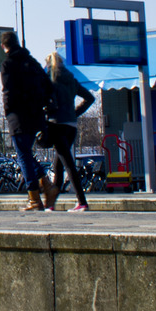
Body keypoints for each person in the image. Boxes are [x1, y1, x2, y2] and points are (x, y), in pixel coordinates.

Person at [0, 29, 53, 211]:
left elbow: (8, 92)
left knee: (23, 156)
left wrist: (8, 112)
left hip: (18, 117)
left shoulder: (8, 65)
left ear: (4, 46)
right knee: (27, 154)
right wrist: (42, 105)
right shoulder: (32, 62)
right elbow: (48, 85)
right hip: (36, 116)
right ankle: (46, 186)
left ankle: (34, 198)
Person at [43, 52, 97, 212]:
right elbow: (89, 98)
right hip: (71, 126)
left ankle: (82, 202)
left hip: (56, 124)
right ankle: (51, 204)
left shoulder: (49, 77)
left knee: (68, 165)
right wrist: (74, 113)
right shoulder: (71, 79)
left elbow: (43, 99)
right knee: (58, 165)